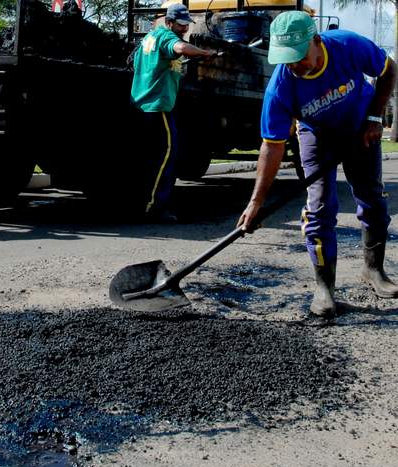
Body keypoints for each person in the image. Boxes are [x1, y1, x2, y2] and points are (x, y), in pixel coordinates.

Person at [237, 11, 398, 318]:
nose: (296, 65)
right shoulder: (280, 88)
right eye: (287, 59)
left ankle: (373, 271)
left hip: (362, 126)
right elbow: (271, 146)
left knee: (372, 200)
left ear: (316, 40)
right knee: (320, 208)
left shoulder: (348, 46)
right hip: (317, 135)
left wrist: (375, 117)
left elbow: (389, 69)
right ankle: (324, 287)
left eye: (300, 56)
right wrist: (256, 202)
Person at [130, 3, 217, 222]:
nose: (185, 29)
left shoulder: (147, 40)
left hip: (142, 104)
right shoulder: (165, 37)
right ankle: (156, 207)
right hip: (158, 105)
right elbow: (180, 48)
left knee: (151, 158)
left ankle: (141, 202)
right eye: (181, 25)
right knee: (167, 156)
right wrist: (205, 52)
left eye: (187, 25)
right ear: (169, 22)